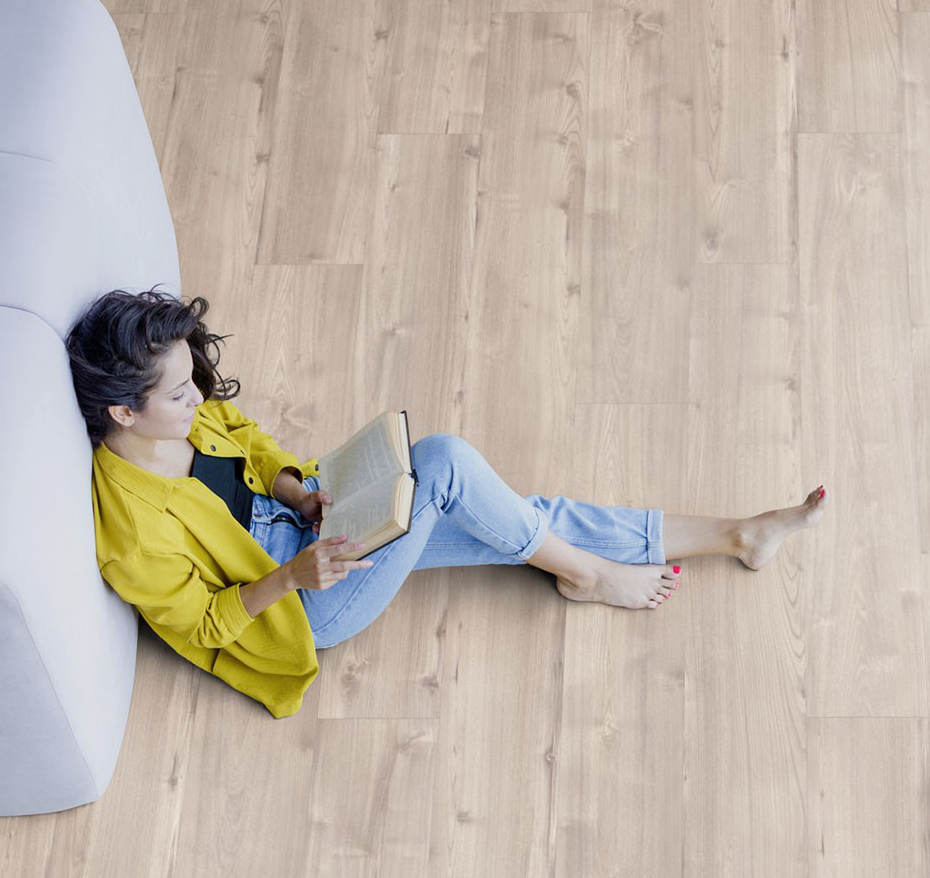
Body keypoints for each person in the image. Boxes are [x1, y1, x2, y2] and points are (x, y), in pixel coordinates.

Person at [66, 287, 827, 718]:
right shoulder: (130, 531)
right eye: (178, 392)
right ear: (123, 412)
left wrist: (295, 487)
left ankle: (739, 536)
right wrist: (295, 575)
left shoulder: (184, 416)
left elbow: (250, 440)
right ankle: (591, 575)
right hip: (300, 602)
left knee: (510, 516)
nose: (198, 398)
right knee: (449, 467)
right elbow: (203, 624)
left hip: (309, 524)